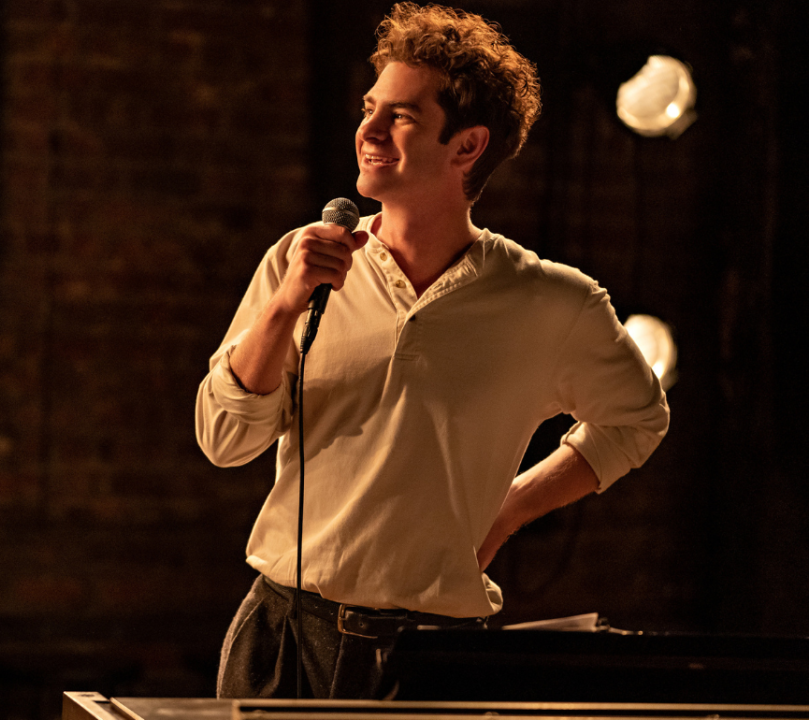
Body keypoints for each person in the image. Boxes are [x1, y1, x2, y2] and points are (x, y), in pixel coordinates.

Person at [195, 1, 669, 700]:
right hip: (283, 630)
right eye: (370, 107)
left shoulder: (551, 301)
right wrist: (285, 303)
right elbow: (224, 441)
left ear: (467, 146)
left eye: (401, 116)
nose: (368, 130)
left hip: (433, 654)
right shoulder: (300, 262)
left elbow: (639, 421)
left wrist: (507, 509)